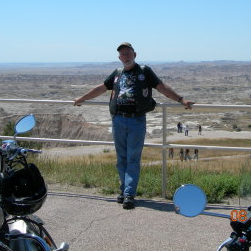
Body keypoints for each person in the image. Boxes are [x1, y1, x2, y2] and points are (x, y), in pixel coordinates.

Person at [74, 42, 194, 209]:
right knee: (121, 158)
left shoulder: (144, 71)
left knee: (132, 158)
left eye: (128, 53)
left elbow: (161, 87)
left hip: (136, 120)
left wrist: (181, 100)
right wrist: (82, 99)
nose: (126, 56)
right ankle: (123, 191)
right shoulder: (117, 73)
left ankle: (129, 193)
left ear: (135, 54)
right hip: (118, 120)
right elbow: (101, 88)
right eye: (123, 54)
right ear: (119, 58)